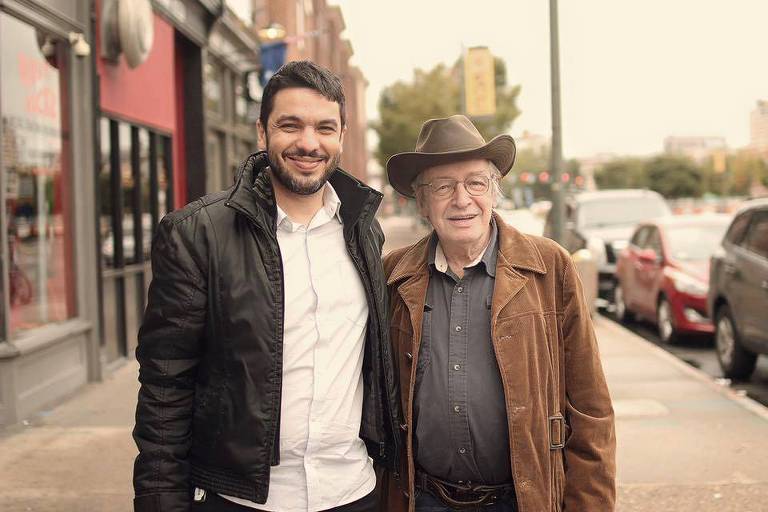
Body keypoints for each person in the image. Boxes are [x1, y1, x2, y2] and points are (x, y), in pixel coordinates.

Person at [132, 60, 401, 512]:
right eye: (289, 126)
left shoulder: (363, 231)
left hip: (352, 492)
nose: (308, 143)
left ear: (342, 136)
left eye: (324, 127)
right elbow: (165, 384)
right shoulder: (198, 233)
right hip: (241, 499)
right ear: (262, 133)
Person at [382, 115, 616, 511]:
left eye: (475, 182)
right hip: (422, 499)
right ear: (421, 201)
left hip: (523, 499)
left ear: (494, 191)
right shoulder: (393, 276)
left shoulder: (550, 267)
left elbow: (591, 411)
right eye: (442, 186)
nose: (461, 199)